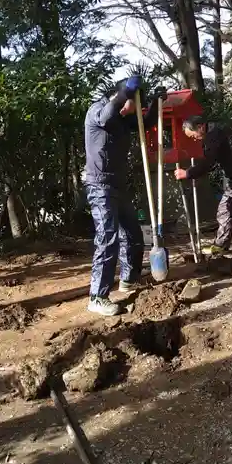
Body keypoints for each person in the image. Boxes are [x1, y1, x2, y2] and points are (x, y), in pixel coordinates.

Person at [84, 76, 166, 316]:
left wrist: (154, 102)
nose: (135, 109)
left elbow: (146, 121)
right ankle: (97, 297)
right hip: (99, 186)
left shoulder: (123, 118)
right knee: (108, 237)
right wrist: (125, 92)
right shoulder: (98, 110)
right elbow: (107, 115)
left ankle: (129, 279)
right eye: (133, 102)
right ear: (121, 98)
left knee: (132, 233)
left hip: (117, 186)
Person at [175, 116, 232, 259]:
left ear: (200, 127)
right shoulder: (212, 133)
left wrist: (188, 173)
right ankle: (221, 245)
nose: (194, 139)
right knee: (224, 210)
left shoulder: (214, 134)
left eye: (193, 136)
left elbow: (209, 163)